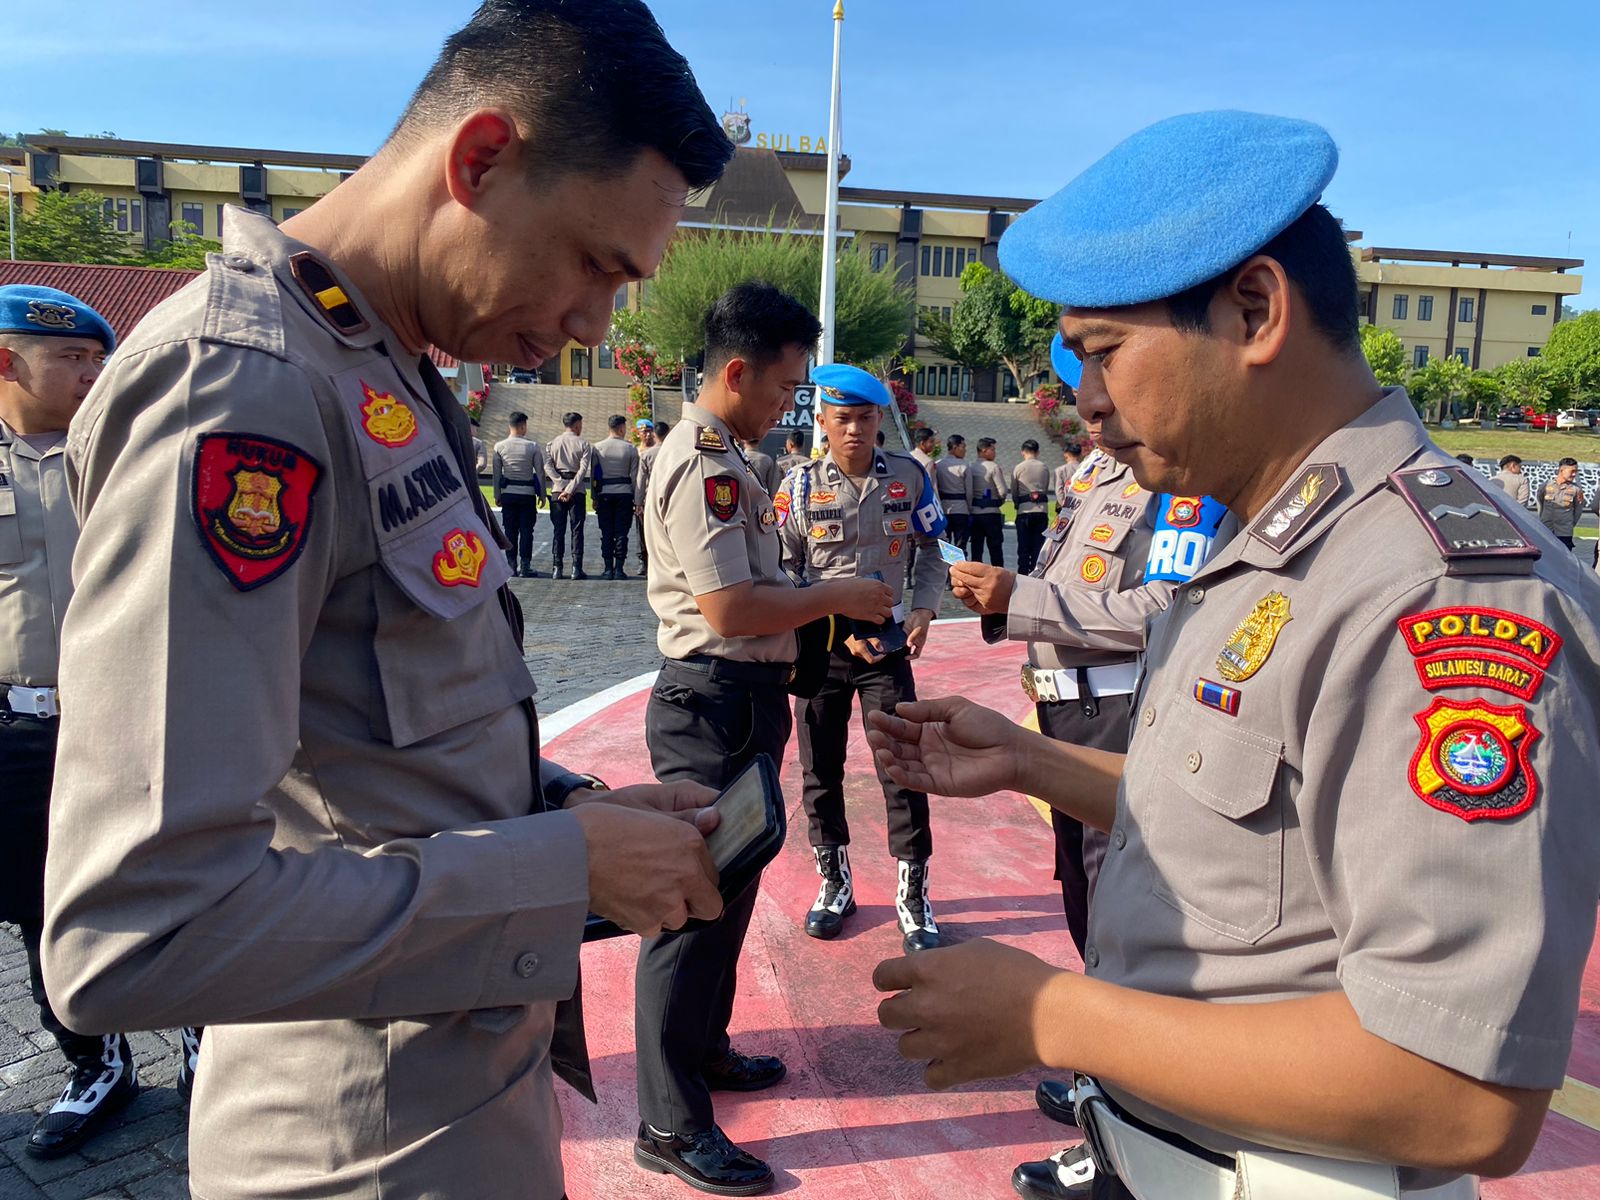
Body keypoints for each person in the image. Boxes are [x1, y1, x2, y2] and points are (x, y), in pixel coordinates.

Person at [42, 5, 741, 1199]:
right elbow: (137, 930)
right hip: (361, 1141)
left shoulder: (382, 365)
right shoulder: (243, 391)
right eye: (593, 265)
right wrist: (559, 868)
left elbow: (376, 739)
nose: (592, 324)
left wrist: (571, 809)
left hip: (459, 1086)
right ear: (477, 161)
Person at [865, 111, 1600, 1200]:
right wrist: (1032, 765)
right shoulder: (1261, 540)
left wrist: (1049, 1014)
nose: (1083, 400)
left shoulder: (1441, 591)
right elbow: (1260, 836)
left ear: (1255, 310)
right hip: (1161, 1155)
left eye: (1105, 352)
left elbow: (1460, 1094)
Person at [952, 337, 1226, 1199]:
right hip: (1067, 703)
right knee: (1085, 900)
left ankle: (1122, 1122)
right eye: (1085, 394)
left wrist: (1019, 600)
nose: (1092, 410)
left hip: (1119, 711)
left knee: (1124, 919)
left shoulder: (1182, 485)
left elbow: (1165, 609)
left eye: (1103, 390)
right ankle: (1104, 1082)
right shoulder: (1096, 479)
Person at [639, 282, 893, 1195]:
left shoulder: (735, 459)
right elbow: (730, 605)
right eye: (787, 389)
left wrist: (827, 623)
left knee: (729, 896)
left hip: (744, 701)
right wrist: (838, 597)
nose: (794, 409)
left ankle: (703, 1048)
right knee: (688, 905)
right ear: (737, 372)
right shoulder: (703, 463)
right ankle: (667, 1123)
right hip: (709, 704)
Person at [0, 286, 154, 1158]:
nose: (93, 376)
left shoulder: (122, 457)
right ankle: (95, 1061)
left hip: (122, 721)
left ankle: (201, 1037)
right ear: (7, 362)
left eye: (99, 361)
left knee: (165, 885)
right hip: (17, 736)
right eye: (72, 361)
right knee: (37, 909)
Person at [776, 363, 948, 953]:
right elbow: (784, 571)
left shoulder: (909, 476)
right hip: (822, 649)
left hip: (887, 645)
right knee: (819, 768)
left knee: (902, 763)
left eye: (866, 418)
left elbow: (933, 550)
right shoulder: (796, 486)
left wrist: (924, 609)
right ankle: (834, 884)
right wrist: (830, 622)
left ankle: (914, 893)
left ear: (880, 420)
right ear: (821, 421)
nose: (854, 430)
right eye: (841, 419)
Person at [493, 409, 547, 577]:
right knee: (526, 531)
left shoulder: (499, 447)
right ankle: (525, 565)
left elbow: (496, 474)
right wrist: (543, 495)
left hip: (508, 494)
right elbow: (539, 472)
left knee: (510, 531)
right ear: (523, 426)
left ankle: (511, 565)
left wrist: (497, 495)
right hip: (527, 495)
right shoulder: (532, 446)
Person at [545, 409, 593, 577]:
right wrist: (571, 488)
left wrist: (560, 485)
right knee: (577, 529)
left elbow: (548, 467)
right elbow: (583, 470)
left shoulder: (552, 444)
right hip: (577, 490)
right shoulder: (584, 444)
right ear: (577, 425)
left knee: (558, 529)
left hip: (557, 491)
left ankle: (557, 567)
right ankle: (576, 568)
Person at [594, 412, 641, 579]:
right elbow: (636, 478)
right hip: (624, 494)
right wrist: (638, 500)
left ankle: (607, 569)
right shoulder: (631, 449)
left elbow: (595, 476)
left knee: (606, 532)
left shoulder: (597, 448)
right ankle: (619, 568)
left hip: (605, 493)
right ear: (622, 428)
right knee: (622, 532)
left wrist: (594, 497)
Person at [1011, 438, 1052, 574]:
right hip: (1041, 510)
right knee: (1038, 546)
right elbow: (1045, 489)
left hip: (1024, 510)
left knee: (1023, 546)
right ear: (1037, 452)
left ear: (1023, 452)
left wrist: (1018, 504)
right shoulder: (1044, 467)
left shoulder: (1019, 468)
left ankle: (1022, 573)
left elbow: (1014, 491)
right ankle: (1035, 573)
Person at [968, 436, 1008, 565]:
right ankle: (998, 577)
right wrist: (999, 501)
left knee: (976, 549)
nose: (994, 452)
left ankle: (975, 578)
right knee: (995, 549)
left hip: (975, 513)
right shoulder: (993, 467)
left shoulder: (970, 467)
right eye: (993, 449)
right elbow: (1002, 491)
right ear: (984, 450)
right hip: (991, 513)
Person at [933, 434, 972, 556]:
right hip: (961, 509)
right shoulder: (964, 465)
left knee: (945, 544)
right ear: (955, 447)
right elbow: (969, 491)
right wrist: (970, 509)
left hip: (943, 508)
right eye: (963, 446)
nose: (965, 450)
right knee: (960, 544)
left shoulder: (938, 464)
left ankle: (946, 573)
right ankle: (958, 571)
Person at [1537, 457, 1584, 550]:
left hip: (1564, 532)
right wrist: (1543, 519)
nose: (1574, 474)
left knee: (1564, 559)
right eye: (1572, 471)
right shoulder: (1545, 486)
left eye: (1576, 471)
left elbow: (1578, 511)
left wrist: (1569, 524)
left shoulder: (1577, 490)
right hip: (1546, 529)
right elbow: (1540, 503)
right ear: (1561, 470)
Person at [634, 417, 659, 574]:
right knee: (641, 531)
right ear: (638, 433)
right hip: (641, 494)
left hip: (653, 493)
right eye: (644, 432)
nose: (648, 435)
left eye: (650, 431)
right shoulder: (634, 450)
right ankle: (643, 559)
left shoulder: (657, 450)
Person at [1053, 441, 1083, 511]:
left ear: (1066, 454)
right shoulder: (1086, 469)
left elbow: (1059, 490)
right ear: (1080, 454)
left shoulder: (1060, 470)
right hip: (1081, 503)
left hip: (1065, 502)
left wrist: (1062, 503)